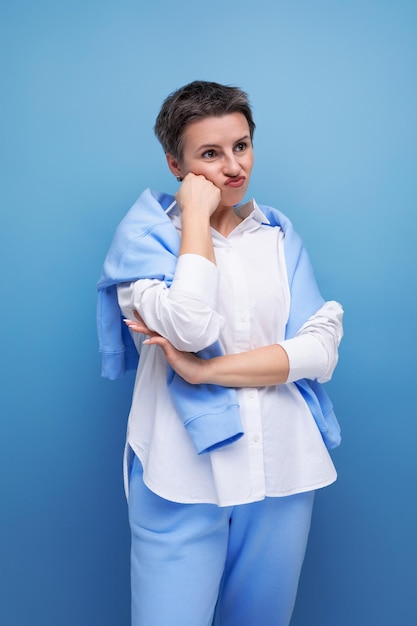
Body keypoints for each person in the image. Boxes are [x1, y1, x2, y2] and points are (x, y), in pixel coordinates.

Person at [97, 80, 343, 626]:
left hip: (281, 469)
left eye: (241, 145)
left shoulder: (277, 235)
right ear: (175, 164)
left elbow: (320, 349)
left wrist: (207, 370)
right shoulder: (141, 245)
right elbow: (189, 323)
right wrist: (193, 222)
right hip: (180, 473)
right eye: (210, 153)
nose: (233, 167)